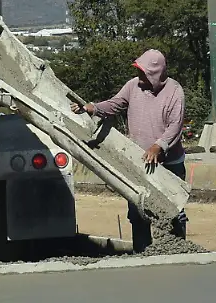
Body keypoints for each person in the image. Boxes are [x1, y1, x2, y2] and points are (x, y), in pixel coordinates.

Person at [71, 49, 185, 252]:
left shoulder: (175, 92)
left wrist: (159, 145)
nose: (140, 77)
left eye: (144, 73)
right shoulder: (133, 86)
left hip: (169, 164)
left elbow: (175, 126)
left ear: (156, 74)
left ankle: (177, 251)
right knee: (138, 211)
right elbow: (115, 104)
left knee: (172, 210)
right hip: (139, 162)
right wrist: (93, 108)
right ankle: (142, 251)